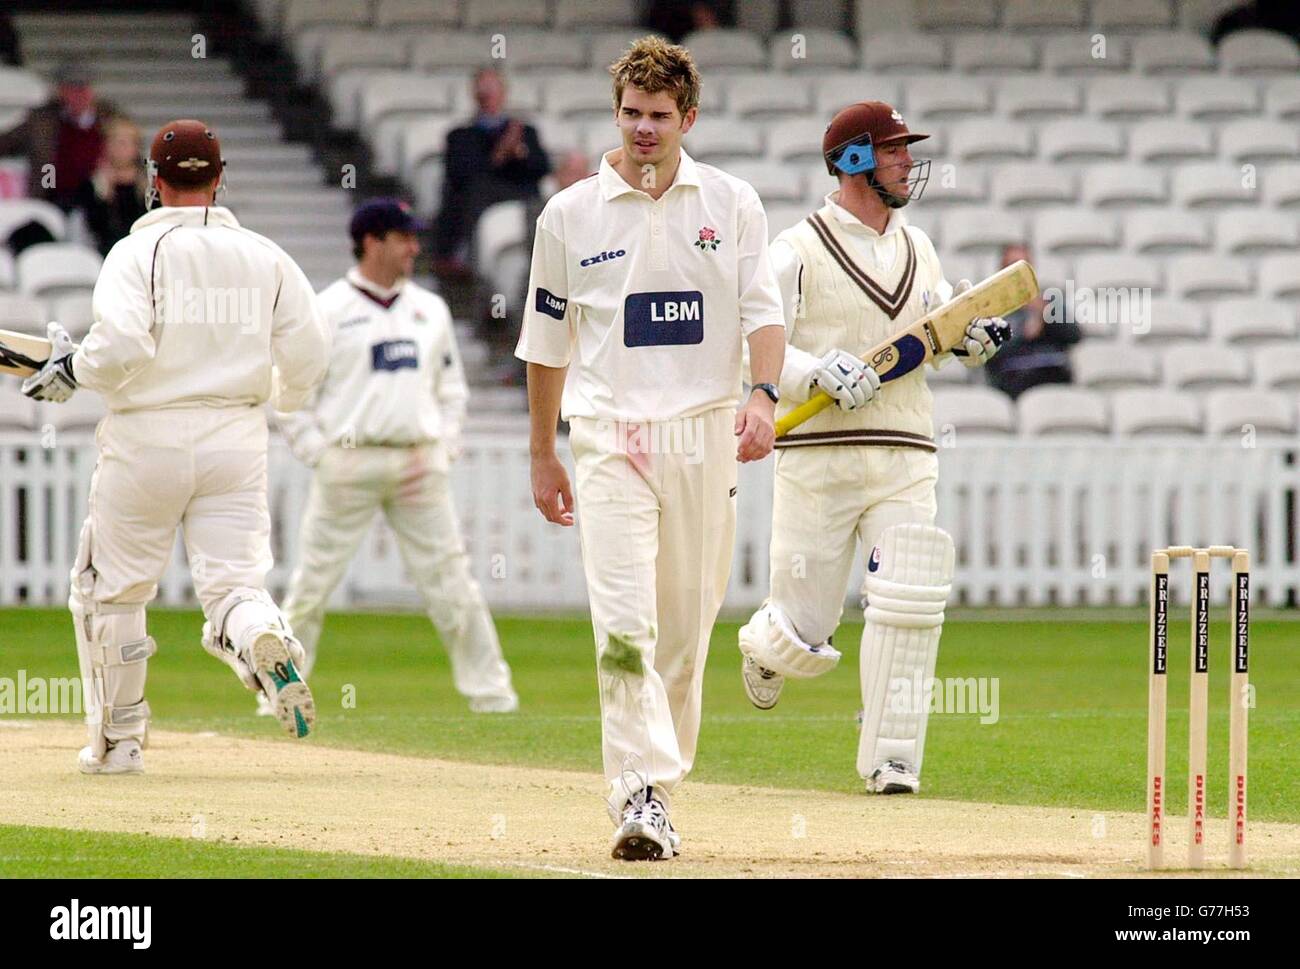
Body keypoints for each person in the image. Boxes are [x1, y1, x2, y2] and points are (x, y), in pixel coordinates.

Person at [517, 36, 786, 861]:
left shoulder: (732, 203)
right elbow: (546, 344)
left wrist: (763, 395)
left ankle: (659, 789)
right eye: (631, 113)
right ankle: (637, 792)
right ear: (616, 113)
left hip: (704, 434)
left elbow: (763, 316)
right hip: (610, 439)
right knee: (624, 622)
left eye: (658, 116)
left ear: (687, 118)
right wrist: (542, 452)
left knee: (686, 624)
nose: (642, 129)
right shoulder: (569, 214)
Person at [20, 119, 331, 774]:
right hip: (237, 437)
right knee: (233, 586)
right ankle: (260, 636)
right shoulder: (266, 256)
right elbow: (309, 353)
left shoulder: (138, 254)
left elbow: (124, 345)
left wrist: (72, 372)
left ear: (153, 184)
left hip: (148, 435)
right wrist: (282, 398)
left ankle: (119, 743)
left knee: (111, 592)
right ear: (220, 180)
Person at [736, 101, 1010, 796]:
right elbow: (758, 345)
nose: (908, 163)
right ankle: (766, 647)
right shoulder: (795, 249)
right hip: (819, 455)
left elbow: (937, 328)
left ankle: (892, 756)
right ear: (854, 159)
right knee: (804, 627)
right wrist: (812, 369)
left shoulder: (921, 248)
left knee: (909, 596)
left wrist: (968, 340)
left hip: (905, 448)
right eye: (894, 151)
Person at [276, 198, 517, 715]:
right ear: (371, 241)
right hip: (348, 463)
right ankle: (278, 695)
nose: (414, 248)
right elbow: (289, 393)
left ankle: (493, 697)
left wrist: (445, 444)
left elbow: (451, 389)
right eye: (403, 237)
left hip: (416, 465)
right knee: (311, 588)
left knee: (453, 585)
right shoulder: (327, 309)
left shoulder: (430, 309)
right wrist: (317, 452)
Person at [431, 68, 551, 277]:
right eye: (483, 89)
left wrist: (520, 153)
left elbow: (542, 168)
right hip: (476, 201)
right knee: (475, 194)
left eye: (493, 89)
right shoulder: (460, 136)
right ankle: (472, 265)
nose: (487, 95)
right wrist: (500, 153)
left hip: (519, 196)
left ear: (504, 93)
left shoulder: (525, 132)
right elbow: (461, 175)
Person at [0, 64, 113, 208]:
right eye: (72, 90)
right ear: (61, 92)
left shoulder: (107, 120)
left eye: (83, 89)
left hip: (95, 198)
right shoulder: (43, 120)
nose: (78, 96)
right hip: (52, 192)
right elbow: (7, 142)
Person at [984, 244, 1080, 400]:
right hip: (1013, 379)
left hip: (1052, 374)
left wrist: (1045, 315)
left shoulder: (1048, 301)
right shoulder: (990, 309)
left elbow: (1074, 335)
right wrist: (1023, 333)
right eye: (1012, 266)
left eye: (1024, 266)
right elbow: (988, 354)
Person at [76, 114, 148, 255]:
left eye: (126, 143)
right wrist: (105, 196)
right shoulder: (94, 183)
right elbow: (94, 225)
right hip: (107, 250)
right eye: (116, 143)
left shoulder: (148, 184)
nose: (120, 149)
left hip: (143, 249)